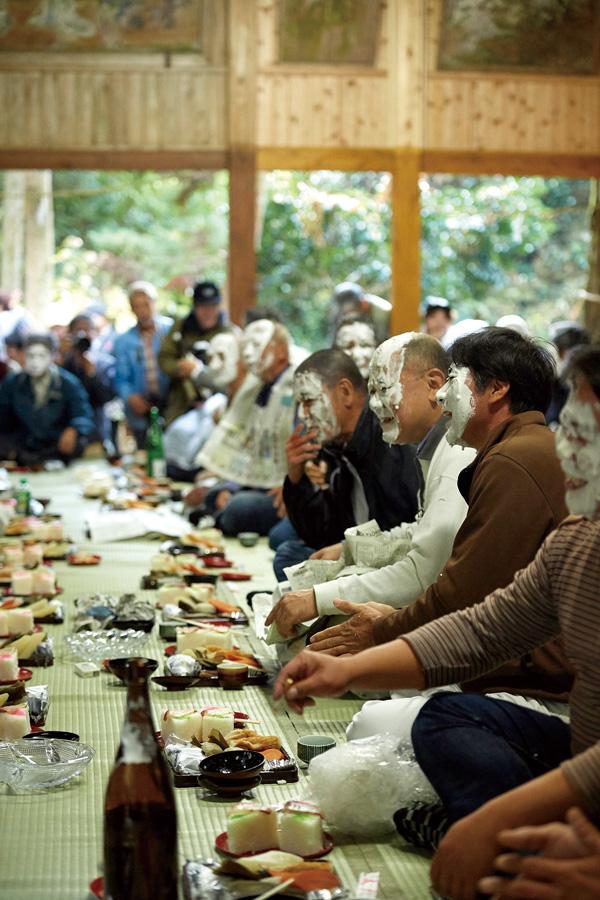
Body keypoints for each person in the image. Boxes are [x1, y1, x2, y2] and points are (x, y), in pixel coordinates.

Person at [273, 346, 600, 900]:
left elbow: (450, 589)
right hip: (578, 755)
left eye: (582, 436)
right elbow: (481, 629)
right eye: (565, 431)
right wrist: (344, 671)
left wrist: (491, 821)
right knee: (442, 721)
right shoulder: (578, 542)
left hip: (559, 724)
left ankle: (518, 845)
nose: (564, 453)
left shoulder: (515, 459)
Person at [267, 334, 470, 634]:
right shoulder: (426, 447)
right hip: (411, 574)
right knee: (293, 559)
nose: (375, 405)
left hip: (452, 617)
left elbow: (421, 570)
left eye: (384, 389)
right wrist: (347, 547)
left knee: (323, 625)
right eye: (372, 391)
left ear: (434, 384)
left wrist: (320, 597)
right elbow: (418, 529)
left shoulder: (448, 451)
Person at [268, 347, 421, 586]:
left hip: (390, 566)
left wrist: (346, 551)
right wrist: (296, 480)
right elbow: (320, 533)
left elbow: (404, 540)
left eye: (309, 401)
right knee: (288, 553)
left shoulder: (391, 441)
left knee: (286, 553)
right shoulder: (335, 444)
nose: (303, 414)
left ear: (345, 392)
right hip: (355, 551)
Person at [193, 320, 307, 536]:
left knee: (238, 509)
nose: (247, 353)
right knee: (212, 493)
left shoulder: (298, 385)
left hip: (285, 488)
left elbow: (307, 444)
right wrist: (230, 487)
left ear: (281, 351)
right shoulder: (257, 387)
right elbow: (247, 449)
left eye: (256, 345)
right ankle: (220, 512)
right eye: (245, 346)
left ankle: (220, 516)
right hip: (257, 483)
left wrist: (292, 485)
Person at [0, 333, 93, 464]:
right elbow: (3, 417)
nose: (35, 362)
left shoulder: (67, 382)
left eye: (41, 356)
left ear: (52, 357)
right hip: (24, 446)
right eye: (31, 356)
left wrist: (74, 429)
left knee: (79, 441)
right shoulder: (12, 383)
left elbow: (83, 414)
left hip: (56, 446)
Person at [163, 332, 244, 481]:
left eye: (222, 356)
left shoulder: (246, 397)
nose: (214, 365)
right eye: (211, 357)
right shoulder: (219, 401)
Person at [158, 280, 232, 425]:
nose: (208, 312)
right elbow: (164, 358)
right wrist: (181, 367)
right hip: (182, 400)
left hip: (217, 401)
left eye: (213, 306)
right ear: (195, 307)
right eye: (203, 306)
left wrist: (199, 371)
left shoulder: (229, 333)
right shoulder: (181, 327)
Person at [113, 281, 172, 447]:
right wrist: (130, 397)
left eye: (146, 304)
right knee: (145, 453)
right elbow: (120, 378)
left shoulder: (170, 330)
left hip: (171, 405)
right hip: (141, 409)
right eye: (137, 306)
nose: (143, 311)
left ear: (154, 303)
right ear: (132, 309)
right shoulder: (123, 341)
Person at [61, 314, 116, 452]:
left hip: (96, 432)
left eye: (87, 330)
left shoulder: (104, 364)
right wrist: (61, 358)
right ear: (70, 334)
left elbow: (106, 398)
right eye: (78, 330)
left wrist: (92, 374)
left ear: (95, 333)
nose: (83, 335)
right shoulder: (63, 364)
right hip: (66, 433)